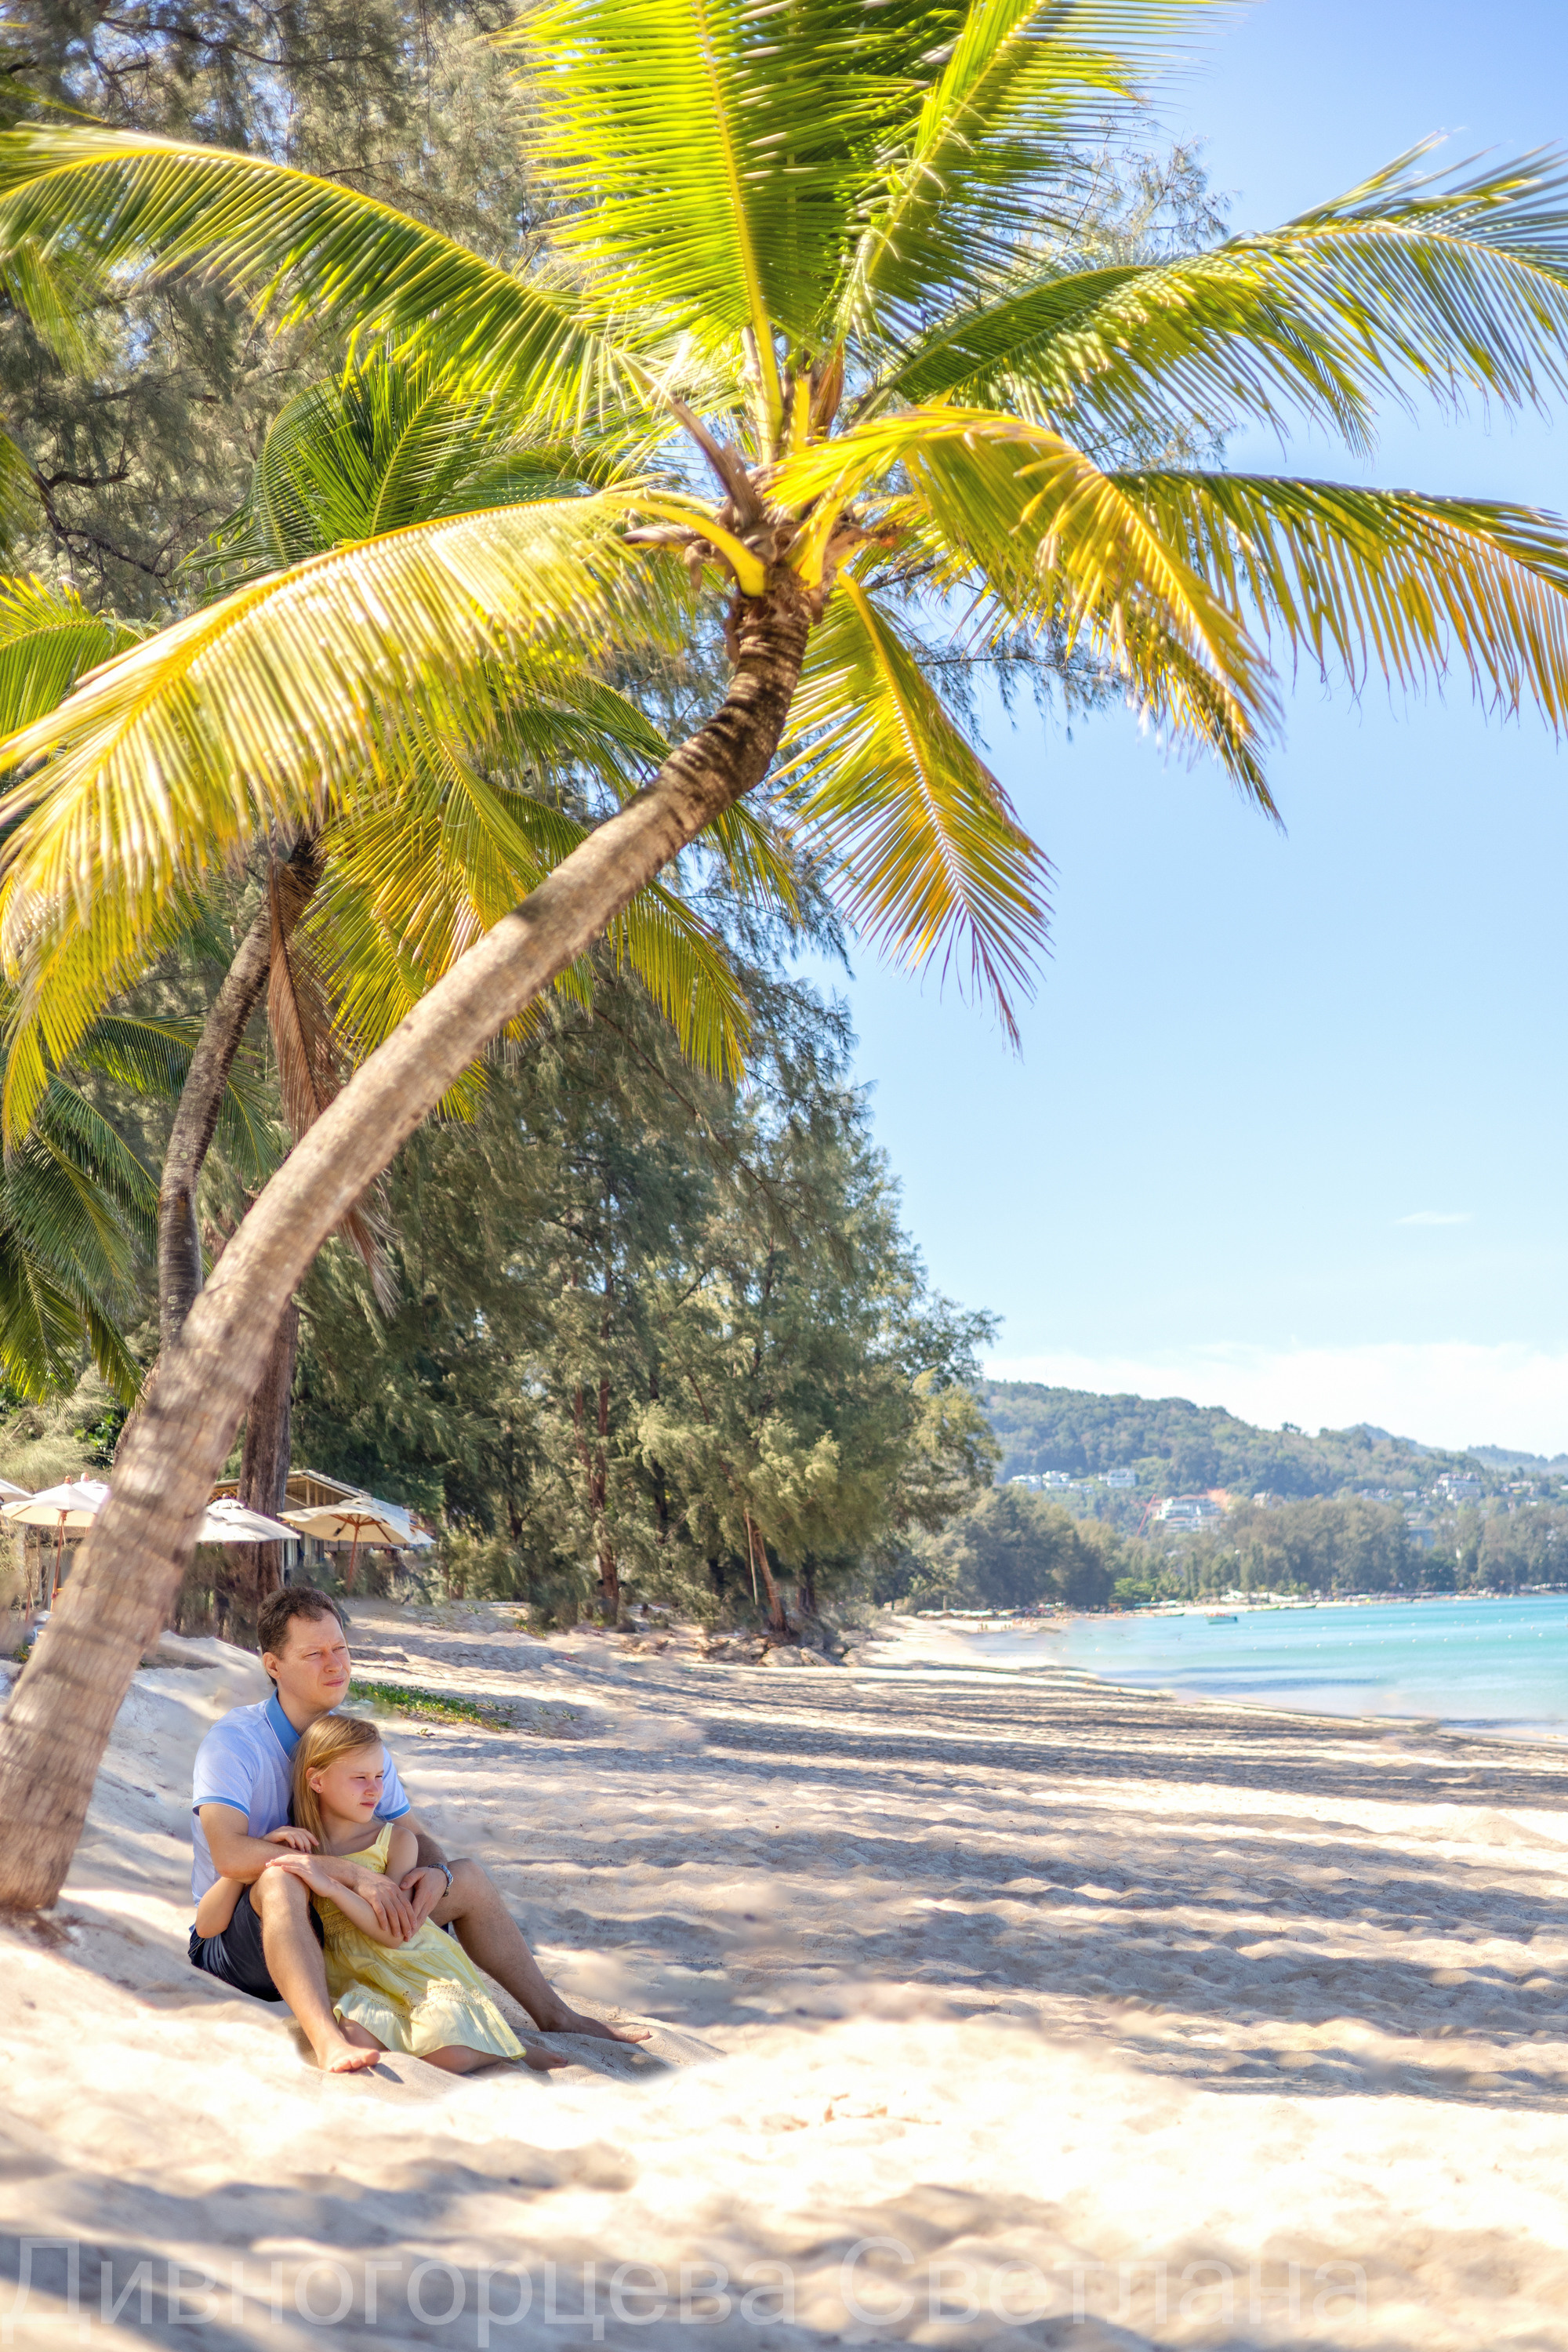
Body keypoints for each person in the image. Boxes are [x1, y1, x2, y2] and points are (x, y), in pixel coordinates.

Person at [188, 1584, 645, 2074]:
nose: (335, 1665)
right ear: (273, 1665)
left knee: (464, 1875)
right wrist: (352, 1875)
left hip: (339, 1924)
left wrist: (435, 1876)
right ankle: (327, 2040)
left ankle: (554, 2014)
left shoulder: (353, 1744)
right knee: (280, 1879)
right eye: (314, 1653)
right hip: (246, 1937)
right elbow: (229, 1855)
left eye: (341, 1648)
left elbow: (416, 1835)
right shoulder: (236, 1743)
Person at [199, 1713, 554, 2074]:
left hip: (407, 1966)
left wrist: (334, 1886)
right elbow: (207, 1926)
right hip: (354, 1976)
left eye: (379, 1777)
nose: (374, 1790)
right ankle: (486, 2040)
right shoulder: (297, 1843)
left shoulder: (394, 1841)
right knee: (357, 2040)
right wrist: (260, 1856)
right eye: (359, 1779)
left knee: (450, 2058)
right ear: (316, 1780)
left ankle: (506, 2049)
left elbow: (392, 1934)